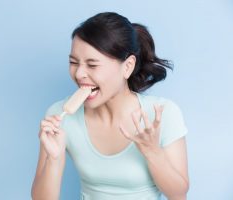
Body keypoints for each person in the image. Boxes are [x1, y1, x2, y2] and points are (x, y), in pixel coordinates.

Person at [31, 12, 189, 200]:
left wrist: (152, 152)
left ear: (128, 66)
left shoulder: (161, 114)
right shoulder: (58, 117)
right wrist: (54, 160)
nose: (79, 73)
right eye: (73, 62)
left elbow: (178, 194)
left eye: (92, 65)